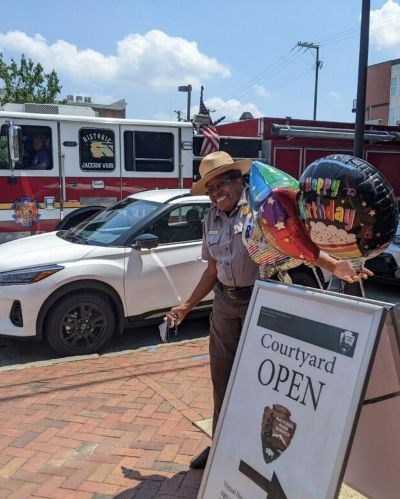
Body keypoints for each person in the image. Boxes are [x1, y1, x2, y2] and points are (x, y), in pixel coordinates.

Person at [166, 151, 373, 469]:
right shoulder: (210, 219)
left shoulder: (261, 214)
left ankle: (260, 448)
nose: (214, 193)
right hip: (224, 305)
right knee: (222, 380)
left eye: (220, 184)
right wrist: (185, 306)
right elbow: (211, 270)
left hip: (261, 303)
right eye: (209, 189)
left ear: (238, 181)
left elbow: (298, 246)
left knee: (260, 380)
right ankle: (220, 444)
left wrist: (337, 267)